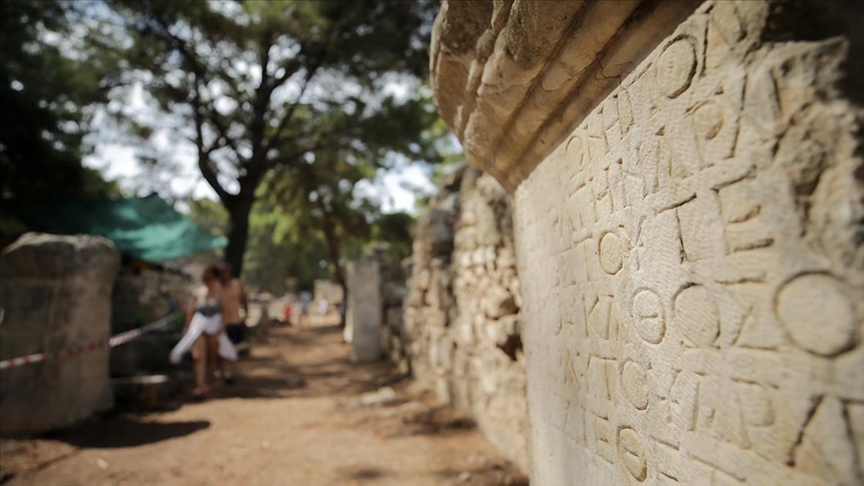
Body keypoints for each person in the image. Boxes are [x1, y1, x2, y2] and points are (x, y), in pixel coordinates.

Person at [169, 264, 238, 398]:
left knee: (212, 357)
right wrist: (187, 328)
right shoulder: (198, 293)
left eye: (210, 278)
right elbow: (190, 313)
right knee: (199, 357)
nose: (207, 281)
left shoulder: (221, 293)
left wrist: (220, 328)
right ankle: (200, 385)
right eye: (205, 278)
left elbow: (225, 313)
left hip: (215, 329)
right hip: (199, 328)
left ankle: (209, 383)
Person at [217, 262, 248, 384]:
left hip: (234, 321)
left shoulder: (237, 285)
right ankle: (225, 372)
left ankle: (227, 372)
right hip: (219, 324)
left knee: (229, 347)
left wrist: (245, 315)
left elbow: (244, 300)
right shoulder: (216, 287)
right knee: (222, 348)